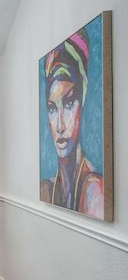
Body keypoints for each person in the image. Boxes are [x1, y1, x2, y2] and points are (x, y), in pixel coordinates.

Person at [39, 28, 103, 219]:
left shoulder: (94, 191)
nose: (60, 126)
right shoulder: (46, 189)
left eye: (68, 104)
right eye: (52, 108)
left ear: (82, 102)